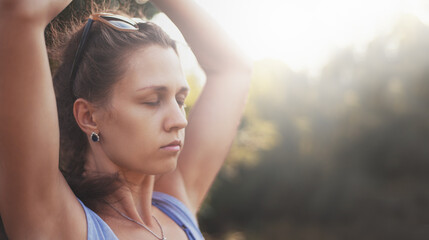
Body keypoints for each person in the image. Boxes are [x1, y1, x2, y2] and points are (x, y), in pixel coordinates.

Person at [0, 0, 251, 239]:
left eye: (180, 100)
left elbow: (233, 69)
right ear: (89, 117)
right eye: (152, 101)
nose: (179, 120)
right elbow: (21, 12)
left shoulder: (177, 210)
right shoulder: (55, 224)